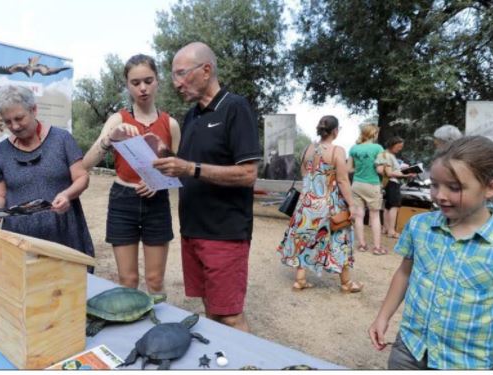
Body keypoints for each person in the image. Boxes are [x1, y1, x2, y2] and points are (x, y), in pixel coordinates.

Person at [368, 136, 493, 369]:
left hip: (467, 362)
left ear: (491, 188)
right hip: (409, 351)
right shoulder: (419, 226)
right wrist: (383, 316)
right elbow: (404, 273)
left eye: (454, 187)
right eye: (434, 184)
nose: (440, 195)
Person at [152, 42, 261, 333]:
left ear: (206, 70)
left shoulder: (235, 107)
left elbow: (248, 173)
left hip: (224, 234)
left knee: (230, 317)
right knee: (212, 311)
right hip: (193, 231)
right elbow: (191, 166)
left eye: (181, 74)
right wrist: (164, 156)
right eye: (173, 76)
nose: (176, 84)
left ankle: (246, 365)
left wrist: (189, 168)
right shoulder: (192, 116)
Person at [82, 54, 180, 292]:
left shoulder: (171, 124)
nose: (143, 88)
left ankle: (157, 328)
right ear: (127, 85)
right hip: (122, 201)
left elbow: (176, 168)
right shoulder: (117, 120)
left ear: (157, 81)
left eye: (148, 81)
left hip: (156, 202)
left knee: (155, 281)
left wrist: (159, 183)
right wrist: (109, 138)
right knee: (128, 281)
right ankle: (131, 327)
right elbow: (86, 163)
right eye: (136, 83)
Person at [0, 85, 94, 262]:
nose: (15, 126)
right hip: (20, 238)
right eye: (8, 121)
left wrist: (67, 195)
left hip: (63, 233)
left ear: (34, 110)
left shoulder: (61, 139)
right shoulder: (1, 151)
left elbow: (82, 177)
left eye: (19, 118)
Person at [276, 115, 362, 293]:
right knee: (339, 239)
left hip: (306, 203)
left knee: (303, 238)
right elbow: (343, 180)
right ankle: (346, 283)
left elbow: (304, 174)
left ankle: (300, 280)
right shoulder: (337, 151)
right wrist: (352, 205)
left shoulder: (307, 149)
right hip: (328, 203)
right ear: (335, 131)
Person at [348, 123, 385, 255]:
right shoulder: (378, 148)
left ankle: (362, 245)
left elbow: (349, 169)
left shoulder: (354, 148)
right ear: (374, 134)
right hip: (372, 184)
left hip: (357, 184)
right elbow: (380, 170)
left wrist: (360, 168)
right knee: (375, 216)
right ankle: (377, 247)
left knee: (358, 216)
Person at [375, 137, 416, 238]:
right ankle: (391, 231)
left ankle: (386, 228)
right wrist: (406, 175)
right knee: (394, 206)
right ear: (392, 144)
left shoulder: (387, 155)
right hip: (392, 182)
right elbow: (389, 173)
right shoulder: (387, 155)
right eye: (399, 146)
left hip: (388, 183)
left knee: (388, 206)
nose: (400, 149)